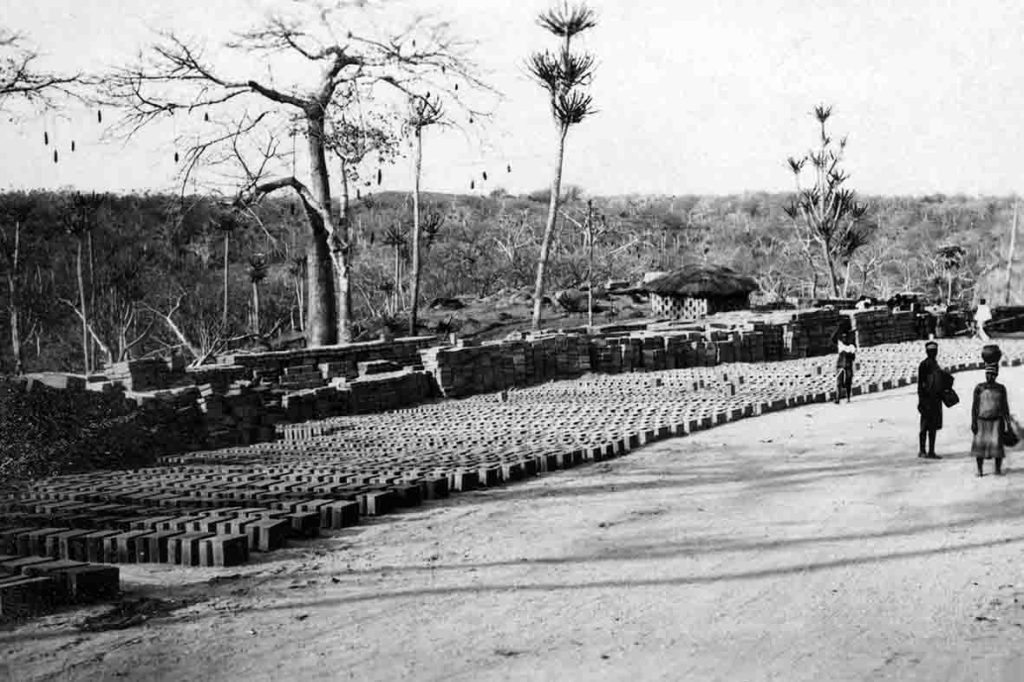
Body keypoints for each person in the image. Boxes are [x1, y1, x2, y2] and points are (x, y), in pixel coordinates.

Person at [971, 358, 1011, 476]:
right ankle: (980, 470)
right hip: (981, 421)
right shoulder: (979, 388)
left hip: (997, 421)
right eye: (988, 374)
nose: (989, 376)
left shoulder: (1001, 388)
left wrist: (1008, 423)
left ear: (996, 375)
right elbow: (975, 406)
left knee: (997, 446)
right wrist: (973, 422)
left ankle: (997, 469)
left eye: (992, 374)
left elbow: (1005, 406)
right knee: (980, 447)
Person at [917, 340, 947, 458]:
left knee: (932, 427)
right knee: (925, 426)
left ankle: (930, 451)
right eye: (932, 351)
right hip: (927, 399)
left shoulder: (935, 364)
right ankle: (923, 450)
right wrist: (921, 401)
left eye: (935, 351)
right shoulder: (924, 365)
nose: (934, 353)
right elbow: (921, 385)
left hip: (935, 399)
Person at [835, 329, 857, 403]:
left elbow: (853, 357)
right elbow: (833, 338)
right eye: (843, 337)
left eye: (846, 337)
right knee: (839, 382)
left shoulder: (851, 346)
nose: (844, 339)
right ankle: (838, 398)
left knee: (848, 382)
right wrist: (838, 329)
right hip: (840, 365)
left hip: (848, 366)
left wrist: (849, 354)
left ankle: (848, 397)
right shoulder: (840, 344)